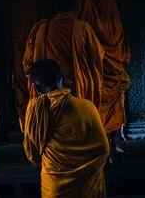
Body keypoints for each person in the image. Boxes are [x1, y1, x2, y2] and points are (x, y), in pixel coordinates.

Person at [23, 59, 109, 198]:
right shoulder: (87, 107)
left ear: (35, 88)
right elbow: (104, 149)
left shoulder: (35, 111)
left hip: (55, 188)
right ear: (63, 79)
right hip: (87, 188)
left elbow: (32, 154)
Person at [22, 0, 104, 130]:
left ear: (52, 6)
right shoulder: (83, 29)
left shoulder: (42, 29)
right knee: (78, 130)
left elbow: (28, 64)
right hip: (79, 92)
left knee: (52, 131)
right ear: (75, 6)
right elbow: (98, 59)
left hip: (49, 93)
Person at [76, 0, 131, 163]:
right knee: (114, 104)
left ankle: (102, 148)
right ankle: (114, 145)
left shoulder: (84, 3)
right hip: (112, 60)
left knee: (97, 105)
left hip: (98, 62)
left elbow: (82, 29)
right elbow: (118, 30)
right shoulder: (109, 2)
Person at [4, 0, 51, 130]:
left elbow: (8, 31)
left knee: (22, 91)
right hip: (40, 52)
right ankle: (39, 126)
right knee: (40, 89)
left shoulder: (14, 4)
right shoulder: (45, 2)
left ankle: (26, 127)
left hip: (20, 50)